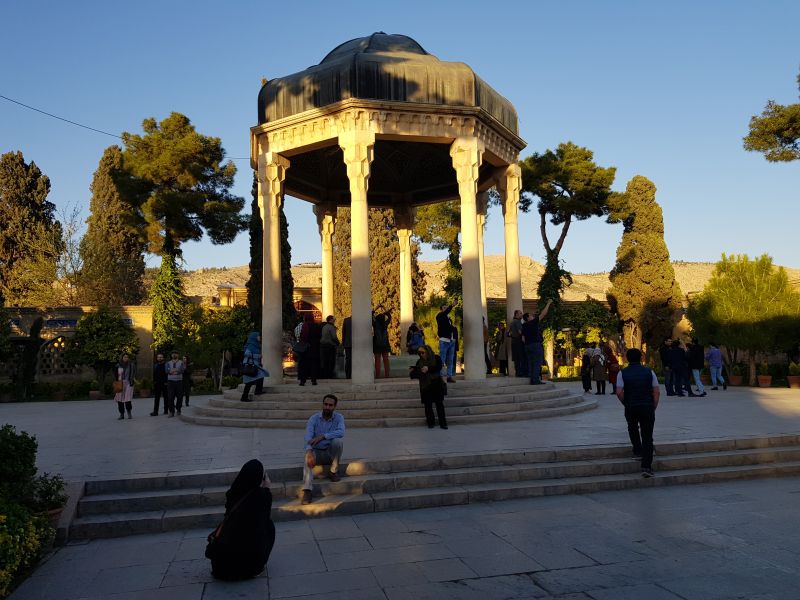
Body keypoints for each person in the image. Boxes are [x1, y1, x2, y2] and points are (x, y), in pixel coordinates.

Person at [207, 459, 275, 580]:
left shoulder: (233, 492)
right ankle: (257, 566)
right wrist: (267, 489)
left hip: (220, 567)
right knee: (269, 526)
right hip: (245, 569)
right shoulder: (262, 496)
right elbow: (264, 520)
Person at [616, 348, 660, 477]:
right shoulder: (649, 372)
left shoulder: (622, 373)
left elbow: (619, 392)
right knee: (647, 435)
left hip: (631, 406)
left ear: (627, 358)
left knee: (632, 427)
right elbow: (656, 391)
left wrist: (626, 403)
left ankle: (637, 450)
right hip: (647, 406)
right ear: (641, 358)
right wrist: (653, 406)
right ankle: (646, 466)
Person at [301, 394, 345, 505]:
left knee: (338, 442)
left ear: (334, 407)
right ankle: (307, 490)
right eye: (325, 404)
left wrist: (323, 436)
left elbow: (341, 432)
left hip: (330, 454)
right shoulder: (314, 418)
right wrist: (309, 450)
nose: (327, 407)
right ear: (322, 404)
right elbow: (308, 436)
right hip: (316, 453)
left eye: (330, 405)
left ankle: (333, 472)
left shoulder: (339, 417)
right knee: (307, 456)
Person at [411, 344, 448, 429]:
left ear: (427, 351)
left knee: (439, 405)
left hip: (436, 384)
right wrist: (417, 371)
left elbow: (439, 367)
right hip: (425, 386)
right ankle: (430, 423)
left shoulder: (436, 358)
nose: (421, 354)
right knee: (428, 405)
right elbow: (413, 375)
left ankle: (443, 423)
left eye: (422, 352)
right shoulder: (419, 362)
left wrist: (428, 368)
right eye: (419, 353)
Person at [521, 299, 553, 385]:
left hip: (527, 346)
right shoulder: (533, 322)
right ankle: (535, 380)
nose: (533, 316)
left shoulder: (523, 326)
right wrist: (548, 303)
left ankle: (532, 378)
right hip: (535, 345)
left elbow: (523, 339)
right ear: (528, 318)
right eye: (531, 315)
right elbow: (543, 313)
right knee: (537, 362)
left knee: (531, 362)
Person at [241, 332, 268, 401]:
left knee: (261, 376)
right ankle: (244, 397)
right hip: (250, 366)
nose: (259, 337)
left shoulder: (256, 345)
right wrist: (258, 356)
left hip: (255, 365)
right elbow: (247, 354)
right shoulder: (250, 345)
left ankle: (258, 390)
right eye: (258, 336)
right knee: (249, 382)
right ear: (254, 337)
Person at [436, 303, 457, 383]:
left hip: (451, 341)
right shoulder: (439, 316)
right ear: (441, 309)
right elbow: (445, 313)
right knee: (442, 360)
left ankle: (449, 376)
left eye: (446, 307)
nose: (446, 309)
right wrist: (452, 305)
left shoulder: (448, 318)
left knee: (450, 360)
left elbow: (451, 329)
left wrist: (454, 338)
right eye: (444, 308)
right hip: (444, 341)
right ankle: (440, 377)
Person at [297, 313, 319, 386]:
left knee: (304, 365)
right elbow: (319, 336)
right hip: (314, 348)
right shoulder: (316, 325)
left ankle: (303, 381)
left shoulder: (305, 325)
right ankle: (314, 381)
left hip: (305, 349)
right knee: (313, 365)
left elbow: (303, 336)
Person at [114, 353, 136, 420]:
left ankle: (129, 413)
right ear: (122, 358)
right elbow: (115, 374)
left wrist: (132, 380)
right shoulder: (118, 365)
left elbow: (134, 373)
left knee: (127, 399)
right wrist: (117, 382)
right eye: (124, 357)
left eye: (127, 357)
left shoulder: (131, 365)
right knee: (119, 399)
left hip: (128, 383)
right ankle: (122, 414)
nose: (126, 358)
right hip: (119, 383)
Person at [319, 315, 340, 379]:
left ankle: (325, 375)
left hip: (323, 346)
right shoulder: (331, 327)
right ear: (330, 319)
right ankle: (330, 375)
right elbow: (334, 337)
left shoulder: (324, 327)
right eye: (334, 319)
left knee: (325, 361)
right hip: (330, 346)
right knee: (331, 361)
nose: (335, 320)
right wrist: (338, 343)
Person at [372, 310, 391, 378]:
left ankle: (377, 375)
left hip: (377, 345)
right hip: (385, 345)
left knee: (377, 361)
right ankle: (387, 375)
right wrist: (386, 313)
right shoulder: (385, 324)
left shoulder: (375, 325)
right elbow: (389, 318)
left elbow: (371, 316)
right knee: (386, 361)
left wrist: (374, 311)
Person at [166, 351, 185, 417]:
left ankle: (178, 409)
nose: (174, 355)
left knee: (180, 397)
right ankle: (171, 411)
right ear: (171, 355)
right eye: (173, 354)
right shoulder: (168, 363)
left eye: (176, 354)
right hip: (170, 381)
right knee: (170, 397)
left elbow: (182, 370)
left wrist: (173, 371)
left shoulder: (181, 362)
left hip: (179, 381)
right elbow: (167, 370)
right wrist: (176, 370)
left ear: (178, 355)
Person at [509, 309, 526, 377]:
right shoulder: (517, 322)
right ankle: (520, 373)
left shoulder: (512, 322)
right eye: (520, 313)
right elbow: (520, 332)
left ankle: (518, 372)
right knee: (520, 357)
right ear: (516, 314)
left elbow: (509, 333)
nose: (522, 314)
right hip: (518, 341)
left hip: (514, 342)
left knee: (516, 359)